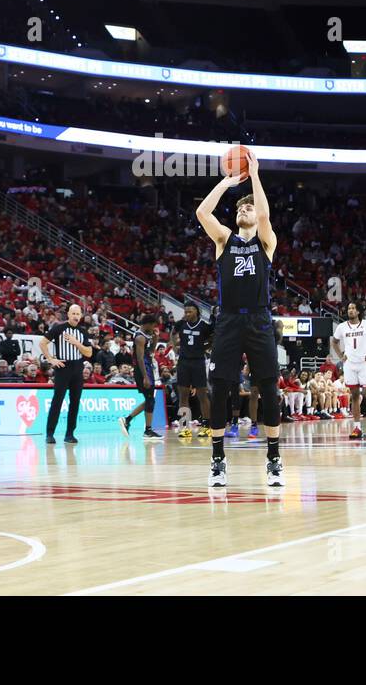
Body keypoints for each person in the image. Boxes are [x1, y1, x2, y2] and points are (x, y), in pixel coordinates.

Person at [195, 149, 284, 488]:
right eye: (241, 208)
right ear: (234, 218)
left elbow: (264, 216)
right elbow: (203, 211)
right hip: (229, 321)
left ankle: (273, 459)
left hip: (260, 321)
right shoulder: (223, 241)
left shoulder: (266, 241)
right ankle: (218, 460)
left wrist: (256, 175)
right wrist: (228, 181)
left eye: (249, 207)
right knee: (219, 389)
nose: (245, 209)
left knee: (270, 390)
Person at [332, 301, 366, 440]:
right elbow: (334, 341)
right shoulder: (342, 327)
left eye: (353, 308)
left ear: (358, 311)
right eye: (349, 308)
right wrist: (340, 355)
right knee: (355, 396)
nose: (350, 310)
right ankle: (357, 427)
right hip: (349, 365)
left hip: (364, 365)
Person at [40, 303, 93, 444]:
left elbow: (89, 352)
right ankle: (50, 433)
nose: (75, 316)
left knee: (75, 403)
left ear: (81, 316)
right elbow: (43, 343)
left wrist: (76, 343)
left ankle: (70, 434)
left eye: (78, 314)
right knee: (57, 401)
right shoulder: (59, 328)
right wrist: (51, 359)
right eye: (73, 313)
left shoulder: (83, 332)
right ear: (68, 314)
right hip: (63, 368)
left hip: (78, 368)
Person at [171, 303, 212, 439]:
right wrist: (174, 346)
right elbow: (173, 333)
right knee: (183, 395)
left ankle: (206, 426)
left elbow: (214, 337)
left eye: (190, 311)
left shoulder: (204, 326)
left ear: (197, 312)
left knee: (202, 395)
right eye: (186, 311)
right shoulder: (180, 324)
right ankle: (184, 427)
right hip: (183, 362)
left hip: (198, 362)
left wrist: (205, 346)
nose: (187, 314)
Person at [119, 315, 163, 438]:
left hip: (148, 367)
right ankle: (146, 429)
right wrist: (145, 377)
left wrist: (156, 337)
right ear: (147, 324)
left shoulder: (147, 335)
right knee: (150, 399)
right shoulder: (140, 338)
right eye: (153, 325)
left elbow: (151, 352)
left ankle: (129, 421)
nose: (154, 327)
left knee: (150, 400)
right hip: (142, 369)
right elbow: (139, 359)